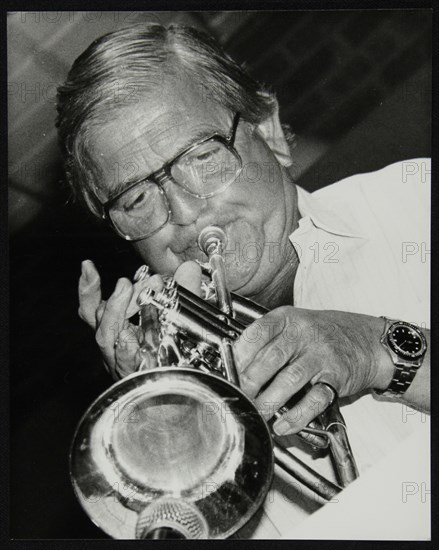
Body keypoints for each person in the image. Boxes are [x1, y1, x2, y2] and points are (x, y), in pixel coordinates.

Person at [56, 23, 430, 536]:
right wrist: (160, 431)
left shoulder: (418, 204)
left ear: (269, 131)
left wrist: (379, 351)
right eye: (136, 200)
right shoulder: (180, 394)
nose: (183, 214)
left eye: (203, 156)